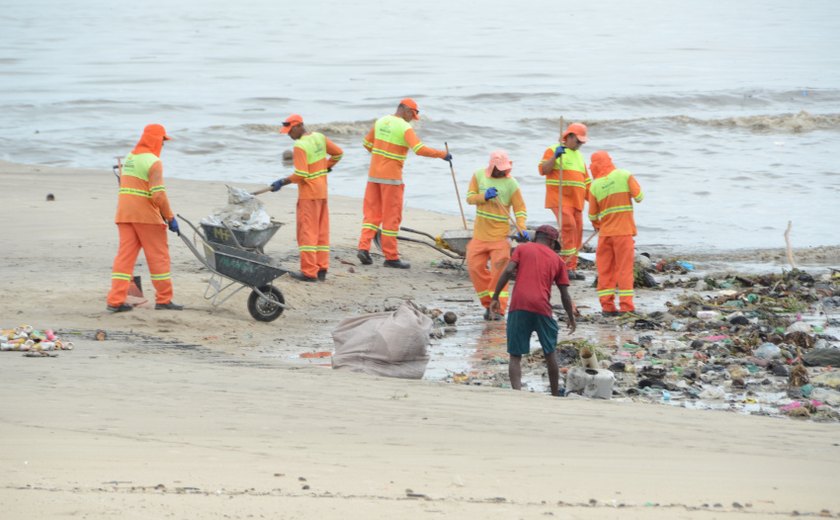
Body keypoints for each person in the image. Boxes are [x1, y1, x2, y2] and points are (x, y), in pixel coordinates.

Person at [356, 98, 451, 269]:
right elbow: (419, 149)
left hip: (373, 176)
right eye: (412, 116)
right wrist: (442, 154)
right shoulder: (404, 127)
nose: (411, 120)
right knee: (391, 217)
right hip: (392, 178)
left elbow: (367, 144)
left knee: (371, 215)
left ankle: (363, 247)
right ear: (406, 111)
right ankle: (391, 257)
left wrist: (381, 156)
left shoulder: (381, 121)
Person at [490, 224, 577, 396]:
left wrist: (495, 297)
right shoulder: (558, 260)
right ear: (552, 243)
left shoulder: (523, 249)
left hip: (519, 305)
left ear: (536, 237)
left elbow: (508, 271)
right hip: (542, 308)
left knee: (515, 355)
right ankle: (554, 395)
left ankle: (517, 393)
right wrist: (571, 317)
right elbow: (564, 294)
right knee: (549, 352)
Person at [106, 124, 182, 312]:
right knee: (159, 258)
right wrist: (169, 217)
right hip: (146, 217)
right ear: (157, 140)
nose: (163, 145)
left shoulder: (131, 157)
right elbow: (158, 195)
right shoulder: (153, 162)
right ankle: (164, 300)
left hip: (124, 214)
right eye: (163, 141)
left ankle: (115, 301)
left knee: (124, 258)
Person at [270, 114, 344, 282]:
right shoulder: (319, 137)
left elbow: (301, 174)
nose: (289, 135)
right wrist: (326, 167)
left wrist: (282, 182)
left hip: (309, 195)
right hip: (322, 193)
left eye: (290, 131)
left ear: (298, 127)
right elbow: (338, 154)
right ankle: (322, 269)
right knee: (321, 232)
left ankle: (309, 272)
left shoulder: (300, 146)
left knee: (307, 233)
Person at [465, 150, 528, 321]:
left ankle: (498, 309)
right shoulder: (479, 176)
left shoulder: (511, 184)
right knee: (474, 267)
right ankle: (488, 304)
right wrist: (483, 196)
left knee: (500, 273)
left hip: (500, 237)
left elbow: (520, 209)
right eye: (498, 168)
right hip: (479, 235)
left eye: (504, 168)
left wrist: (521, 227)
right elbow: (470, 198)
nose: (501, 171)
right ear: (492, 166)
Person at [587, 150, 644, 315]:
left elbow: (592, 215)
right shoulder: (624, 175)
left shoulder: (595, 186)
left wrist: (598, 224)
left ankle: (607, 307)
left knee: (605, 271)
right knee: (624, 269)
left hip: (605, 235)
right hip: (623, 233)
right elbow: (639, 196)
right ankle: (626, 307)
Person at [538, 122, 590, 280]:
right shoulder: (553, 149)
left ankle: (571, 267)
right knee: (569, 227)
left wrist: (596, 202)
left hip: (577, 201)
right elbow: (543, 170)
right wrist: (555, 156)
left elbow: (586, 182)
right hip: (559, 198)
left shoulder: (579, 156)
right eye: (578, 140)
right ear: (569, 136)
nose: (580, 144)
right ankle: (565, 266)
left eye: (582, 141)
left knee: (578, 231)